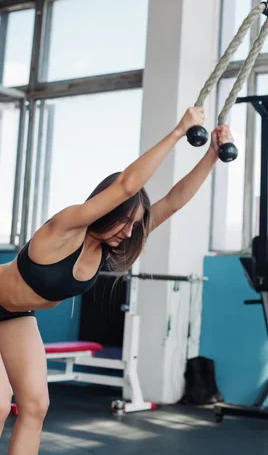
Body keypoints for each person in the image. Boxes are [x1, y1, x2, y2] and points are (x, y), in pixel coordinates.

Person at [0, 106, 234, 455]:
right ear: (106, 208)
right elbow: (127, 184)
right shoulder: (66, 226)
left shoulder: (109, 248)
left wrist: (211, 157)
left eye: (134, 225)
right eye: (123, 221)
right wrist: (177, 132)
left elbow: (173, 201)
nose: (128, 233)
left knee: (35, 407)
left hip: (15, 316)